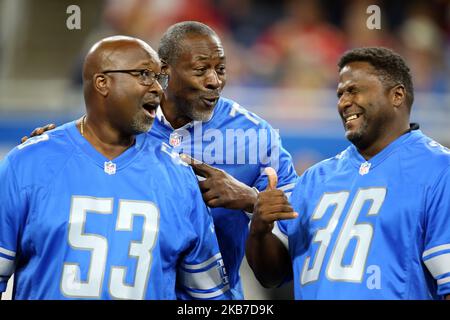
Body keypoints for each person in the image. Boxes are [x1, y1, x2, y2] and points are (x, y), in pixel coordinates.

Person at [23, 21, 298, 299]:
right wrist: (45, 155)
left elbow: (278, 272)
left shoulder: (256, 138)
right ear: (164, 71)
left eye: (221, 70)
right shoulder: (122, 120)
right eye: (201, 70)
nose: (214, 80)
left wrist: (252, 201)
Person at [0, 35, 230, 300]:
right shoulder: (27, 164)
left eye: (159, 77)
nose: (157, 88)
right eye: (144, 74)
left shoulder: (178, 176)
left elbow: (208, 295)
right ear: (102, 82)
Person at [246, 47, 450, 299]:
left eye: (354, 90)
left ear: (397, 95)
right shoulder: (315, 178)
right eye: (340, 93)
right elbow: (271, 276)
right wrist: (260, 228)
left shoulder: (439, 170)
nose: (343, 102)